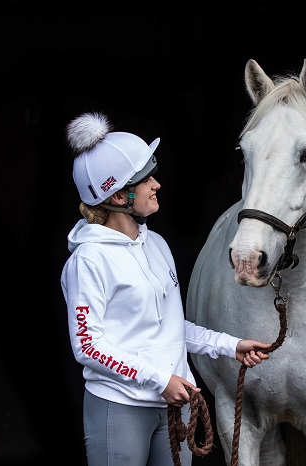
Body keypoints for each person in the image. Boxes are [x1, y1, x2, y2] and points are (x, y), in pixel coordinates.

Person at [60, 112, 272, 466]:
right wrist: (158, 379)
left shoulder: (156, 244)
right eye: (145, 180)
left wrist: (229, 346)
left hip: (174, 404)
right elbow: (88, 346)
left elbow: (169, 329)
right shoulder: (89, 261)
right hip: (121, 406)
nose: (156, 184)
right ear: (117, 196)